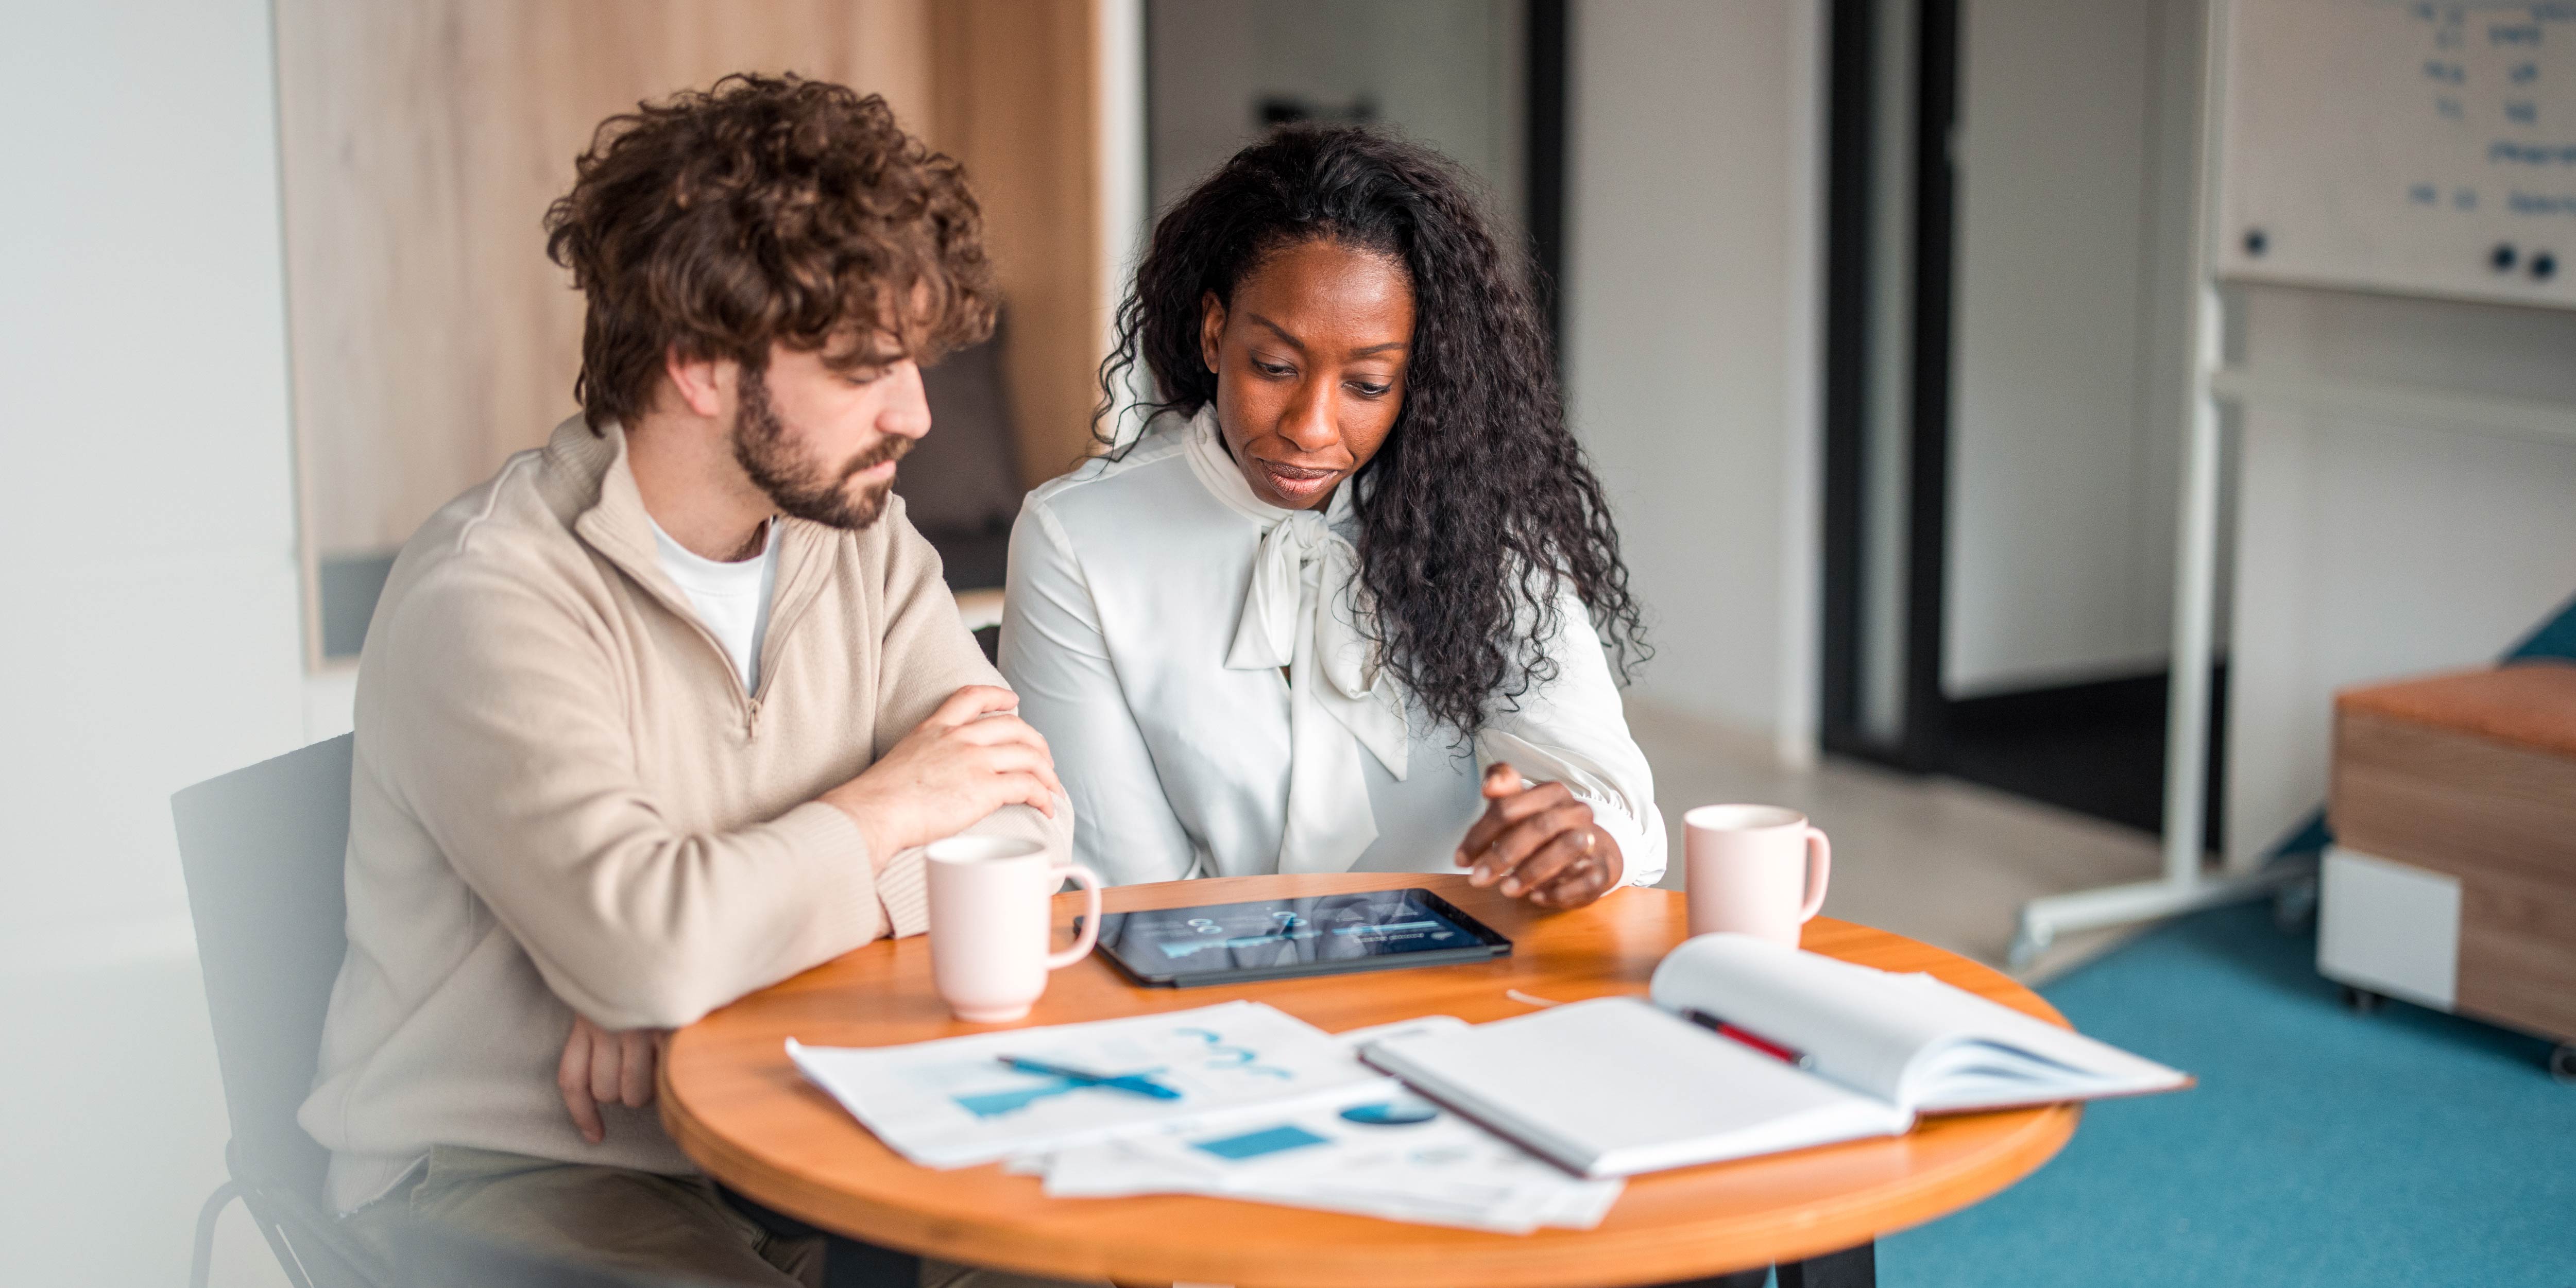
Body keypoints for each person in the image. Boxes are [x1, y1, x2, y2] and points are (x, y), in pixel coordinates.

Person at [301, 75, 1073, 1287]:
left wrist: (703, 968)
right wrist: (883, 812)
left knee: (1068, 1264)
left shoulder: (860, 538)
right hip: (518, 1168)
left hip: (796, 1104)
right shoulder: (489, 596)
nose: (917, 413)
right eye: (865, 368)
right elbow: (654, 949)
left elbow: (1022, 817)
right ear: (702, 367)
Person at [1001, 126, 1664, 908]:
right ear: (1214, 333)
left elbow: (1610, 799)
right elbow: (1124, 887)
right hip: (1204, 971)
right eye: (1275, 367)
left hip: (1467, 956)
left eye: (1368, 384)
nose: (1311, 428)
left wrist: (1585, 842)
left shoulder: (1479, 516)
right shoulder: (1078, 537)